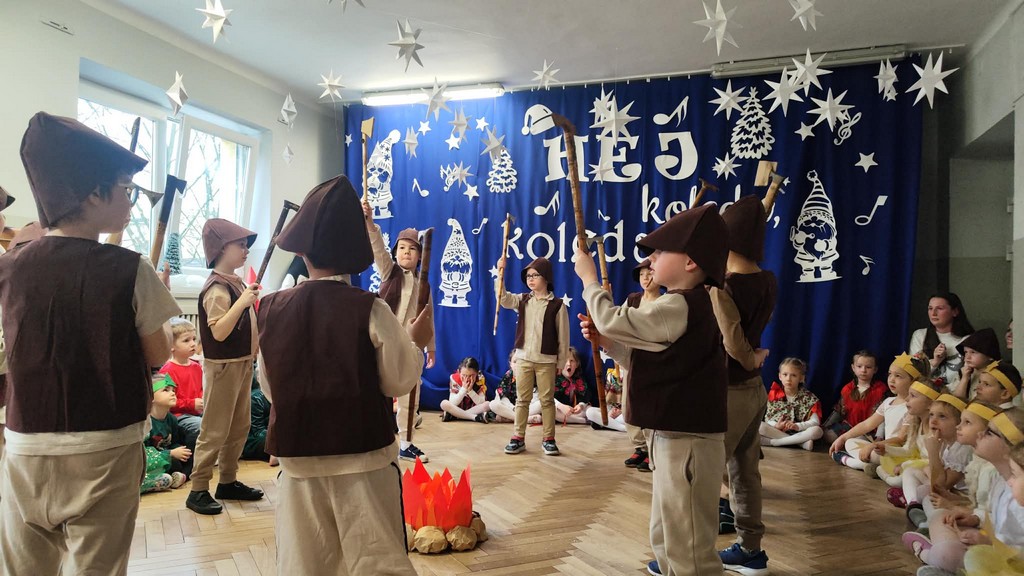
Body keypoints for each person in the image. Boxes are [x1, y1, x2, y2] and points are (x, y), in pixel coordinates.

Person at [0, 112, 180, 575]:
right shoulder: (129, 267)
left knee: (25, 566)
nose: (131, 201)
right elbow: (158, 353)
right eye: (125, 189)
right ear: (94, 193)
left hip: (26, 442)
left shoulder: (11, 266)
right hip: (106, 445)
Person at [257, 175, 430, 576]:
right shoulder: (369, 308)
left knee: (306, 562)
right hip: (363, 456)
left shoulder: (270, 308)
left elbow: (270, 387)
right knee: (377, 561)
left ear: (302, 250)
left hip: (299, 460)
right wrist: (415, 343)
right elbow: (398, 380)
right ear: (355, 253)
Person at [576, 204, 730, 576]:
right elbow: (650, 361)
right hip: (672, 436)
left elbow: (610, 318)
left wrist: (589, 279)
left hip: (687, 441)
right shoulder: (678, 305)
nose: (652, 258)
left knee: (688, 545)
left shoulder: (679, 304)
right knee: (668, 533)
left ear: (690, 261)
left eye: (661, 251)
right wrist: (608, 344)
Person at [185, 218, 264, 515]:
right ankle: (198, 488)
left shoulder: (235, 282)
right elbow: (218, 331)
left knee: (239, 426)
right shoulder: (217, 288)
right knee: (215, 429)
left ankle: (228, 480)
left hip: (241, 364)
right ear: (221, 248)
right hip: (223, 368)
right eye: (240, 245)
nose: (246, 250)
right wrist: (242, 303)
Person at [364, 204, 436, 462]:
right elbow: (377, 248)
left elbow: (428, 318)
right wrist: (370, 224)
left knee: (410, 395)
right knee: (377, 391)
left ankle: (406, 442)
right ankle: (375, 438)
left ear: (420, 256)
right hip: (384, 344)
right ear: (395, 253)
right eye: (402, 248)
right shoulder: (389, 271)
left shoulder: (424, 285)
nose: (407, 252)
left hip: (411, 346)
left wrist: (431, 347)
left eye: (413, 249)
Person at [496, 256, 569, 456]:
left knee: (547, 400)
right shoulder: (523, 300)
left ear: (546, 277)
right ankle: (518, 437)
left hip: (546, 360)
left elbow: (563, 336)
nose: (531, 279)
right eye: (528, 276)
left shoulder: (557, 305)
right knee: (522, 399)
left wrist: (561, 362)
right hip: (524, 358)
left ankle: (549, 438)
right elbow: (503, 299)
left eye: (535, 275)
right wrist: (500, 273)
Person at [829, 353, 926, 475]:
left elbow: (901, 439)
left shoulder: (912, 407)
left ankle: (851, 461)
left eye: (898, 376)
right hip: (885, 447)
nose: (891, 379)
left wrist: (874, 445)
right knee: (850, 442)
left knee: (875, 454)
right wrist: (843, 438)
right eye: (890, 374)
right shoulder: (888, 402)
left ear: (914, 381)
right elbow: (867, 424)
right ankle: (865, 465)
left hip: (899, 452)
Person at [909, 293, 975, 392]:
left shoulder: (969, 339)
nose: (933, 313)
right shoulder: (920, 335)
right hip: (924, 394)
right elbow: (913, 373)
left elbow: (970, 375)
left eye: (939, 308)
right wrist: (935, 362)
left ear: (955, 311)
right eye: (930, 308)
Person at [758, 358, 823, 451]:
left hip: (800, 433)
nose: (788, 379)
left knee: (817, 430)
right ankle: (801, 444)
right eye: (785, 374)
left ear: (801, 378)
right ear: (780, 376)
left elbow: (815, 422)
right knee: (760, 426)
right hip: (777, 432)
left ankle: (775, 442)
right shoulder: (774, 395)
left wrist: (798, 426)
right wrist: (776, 425)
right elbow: (768, 419)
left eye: (793, 375)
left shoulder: (809, 398)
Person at [823, 350, 887, 444]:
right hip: (849, 427)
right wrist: (825, 427)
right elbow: (838, 411)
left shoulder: (881, 390)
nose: (863, 370)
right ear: (853, 367)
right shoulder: (847, 389)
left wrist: (879, 436)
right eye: (859, 366)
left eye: (868, 367)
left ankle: (852, 443)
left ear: (875, 369)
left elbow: (883, 416)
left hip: (869, 430)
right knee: (827, 435)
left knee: (858, 441)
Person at [142, 374, 192, 493]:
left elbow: (174, 442)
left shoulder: (171, 419)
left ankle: (180, 476)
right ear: (151, 397)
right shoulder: (146, 422)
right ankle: (152, 481)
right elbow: (144, 451)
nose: (173, 393)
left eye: (173, 390)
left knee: (189, 456)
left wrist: (180, 451)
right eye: (166, 390)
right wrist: (170, 453)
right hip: (151, 460)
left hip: (167, 457)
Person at [160, 317, 204, 452]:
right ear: (171, 346)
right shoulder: (167, 370)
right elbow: (167, 402)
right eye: (186, 340)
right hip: (178, 416)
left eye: (194, 339)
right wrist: (191, 404)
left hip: (197, 412)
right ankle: (190, 460)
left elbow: (201, 389)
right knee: (199, 426)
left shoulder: (197, 367)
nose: (193, 344)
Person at [951, 328, 1002, 401]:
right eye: (966, 352)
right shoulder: (963, 372)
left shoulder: (998, 375)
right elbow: (956, 401)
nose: (967, 357)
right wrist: (965, 378)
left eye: (973, 352)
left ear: (990, 356)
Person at [440, 357, 491, 423]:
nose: (467, 379)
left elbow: (481, 402)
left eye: (471, 375)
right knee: (444, 403)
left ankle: (454, 415)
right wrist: (463, 389)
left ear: (477, 373)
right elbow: (453, 403)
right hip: (458, 407)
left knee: (488, 404)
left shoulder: (480, 378)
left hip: (474, 408)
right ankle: (475, 417)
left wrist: (470, 391)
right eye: (464, 375)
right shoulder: (454, 378)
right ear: (459, 372)